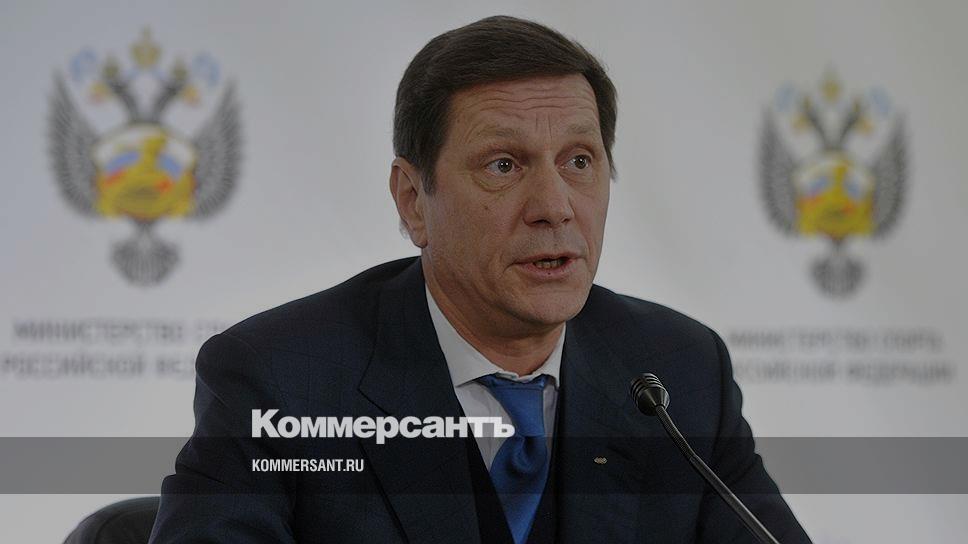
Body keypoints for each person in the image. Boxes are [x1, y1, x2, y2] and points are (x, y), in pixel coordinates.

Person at [149, 15, 811, 543]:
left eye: (579, 161)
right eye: (503, 165)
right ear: (413, 200)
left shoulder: (678, 372)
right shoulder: (283, 381)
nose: (554, 206)